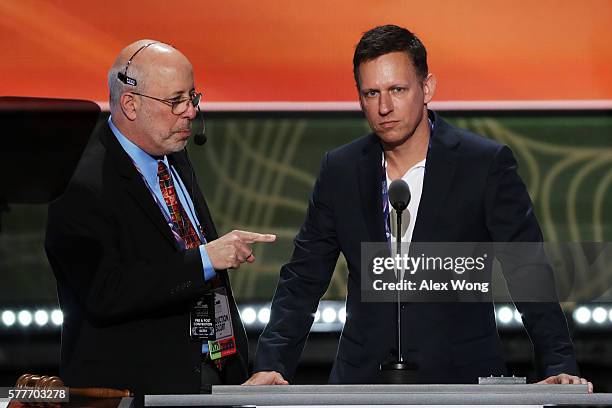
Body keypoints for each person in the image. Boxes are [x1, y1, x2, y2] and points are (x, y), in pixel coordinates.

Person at [246, 25, 592, 391]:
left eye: (397, 89)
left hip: (462, 382)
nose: (384, 107)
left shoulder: (483, 165)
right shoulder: (341, 170)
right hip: (364, 384)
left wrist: (558, 363)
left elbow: (528, 271)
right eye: (371, 93)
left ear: (427, 88)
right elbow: (303, 277)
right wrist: (272, 363)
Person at [45, 40, 276, 397]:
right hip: (135, 392)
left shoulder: (175, 157)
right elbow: (105, 292)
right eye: (175, 101)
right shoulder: (80, 184)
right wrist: (204, 259)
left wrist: (234, 376)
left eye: (193, 97)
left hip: (208, 380)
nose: (189, 112)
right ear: (130, 104)